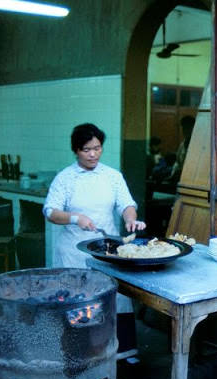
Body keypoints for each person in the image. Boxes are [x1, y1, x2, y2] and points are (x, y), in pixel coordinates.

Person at [43, 122, 146, 355]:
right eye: (86, 149)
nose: (92, 154)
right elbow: (50, 212)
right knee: (78, 301)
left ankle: (125, 351)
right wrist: (75, 218)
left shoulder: (112, 176)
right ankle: (79, 352)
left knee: (117, 297)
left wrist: (130, 219)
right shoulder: (65, 178)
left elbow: (127, 204)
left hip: (106, 247)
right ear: (76, 150)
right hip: (74, 251)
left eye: (97, 148)